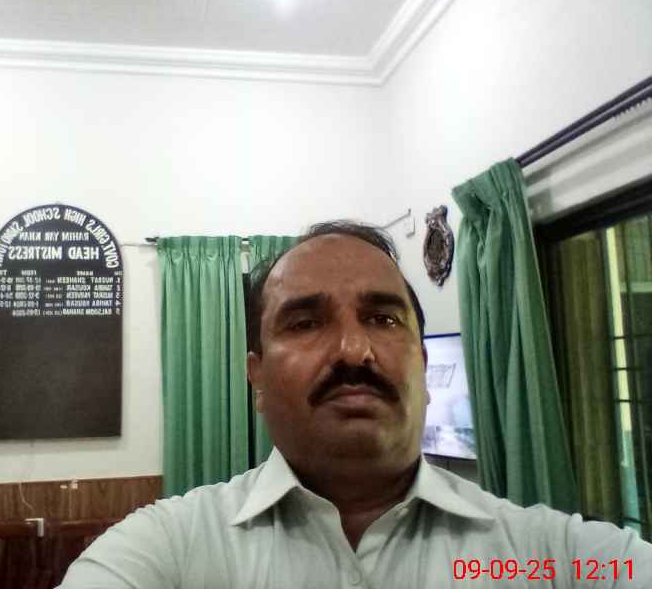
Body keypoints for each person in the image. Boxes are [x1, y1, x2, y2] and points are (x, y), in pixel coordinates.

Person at [59, 221, 651, 588]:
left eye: (383, 318)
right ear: (256, 376)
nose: (353, 350)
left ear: (423, 363)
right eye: (305, 321)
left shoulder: (552, 559)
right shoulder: (166, 553)